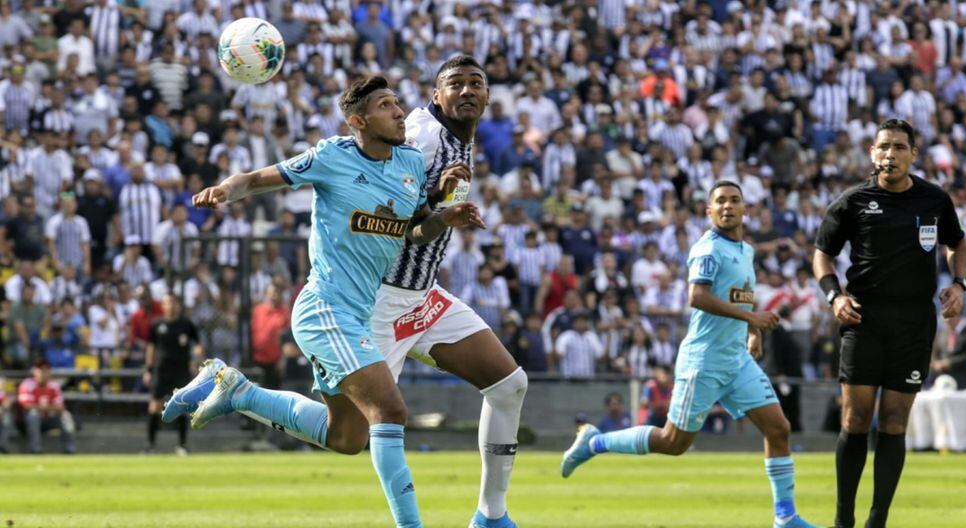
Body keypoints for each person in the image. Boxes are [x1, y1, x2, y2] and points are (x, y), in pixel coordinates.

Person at [163, 75, 484, 528]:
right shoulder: (332, 156)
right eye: (385, 106)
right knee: (390, 411)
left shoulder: (410, 162)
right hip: (324, 310)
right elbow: (255, 178)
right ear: (358, 121)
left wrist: (443, 215)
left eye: (397, 102)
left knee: (347, 437)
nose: (399, 112)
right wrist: (225, 190)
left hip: (359, 315)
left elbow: (415, 229)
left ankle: (237, 390)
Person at [560, 181, 820, 528]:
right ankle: (595, 441)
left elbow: (742, 295)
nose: (728, 206)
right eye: (720, 201)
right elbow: (696, 297)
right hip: (705, 360)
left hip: (736, 359)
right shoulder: (707, 248)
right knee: (673, 441)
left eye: (735, 200)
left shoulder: (746, 250)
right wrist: (752, 319)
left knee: (778, 429)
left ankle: (785, 517)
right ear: (709, 211)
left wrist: (752, 329)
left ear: (746, 209)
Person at [370, 56, 527, 528]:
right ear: (435, 95)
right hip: (382, 299)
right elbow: (388, 213)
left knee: (509, 384)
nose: (467, 91)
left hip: (422, 295)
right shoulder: (423, 137)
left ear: (487, 96)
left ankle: (491, 517)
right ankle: (240, 393)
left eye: (475, 83)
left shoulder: (460, 138)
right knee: (344, 433)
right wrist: (438, 203)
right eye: (454, 84)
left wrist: (443, 208)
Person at [813, 119, 966, 528]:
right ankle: (843, 519)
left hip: (914, 323)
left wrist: (959, 284)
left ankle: (877, 520)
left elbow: (957, 243)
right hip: (863, 319)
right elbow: (822, 253)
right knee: (855, 418)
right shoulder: (853, 201)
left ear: (913, 154)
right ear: (872, 153)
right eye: (884, 146)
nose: (890, 154)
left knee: (895, 421)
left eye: (900, 147)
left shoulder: (934, 199)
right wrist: (835, 296)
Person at [143, 293, 203, 455]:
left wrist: (196, 359)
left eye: (173, 302)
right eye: (167, 303)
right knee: (155, 405)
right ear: (163, 306)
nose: (170, 306)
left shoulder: (186, 324)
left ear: (178, 305)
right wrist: (148, 369)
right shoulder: (157, 325)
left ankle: (182, 445)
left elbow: (198, 344)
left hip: (180, 371)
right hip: (161, 370)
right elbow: (151, 348)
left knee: (183, 406)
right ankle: (150, 446)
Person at [17, 359, 76, 454]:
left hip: (48, 418)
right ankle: (35, 449)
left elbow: (61, 407)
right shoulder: (27, 384)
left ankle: (69, 449)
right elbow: (26, 405)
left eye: (46, 370)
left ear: (49, 372)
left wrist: (44, 408)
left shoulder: (54, 385)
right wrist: (49, 408)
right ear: (35, 371)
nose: (43, 373)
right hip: (26, 421)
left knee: (66, 415)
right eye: (40, 370)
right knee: (33, 415)